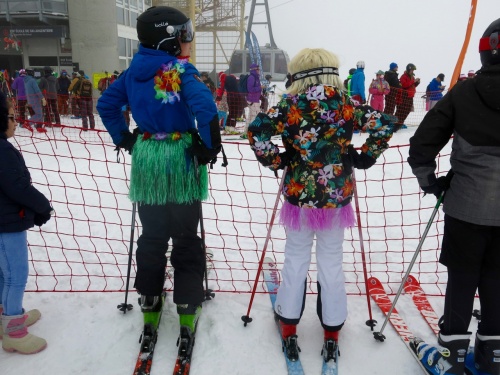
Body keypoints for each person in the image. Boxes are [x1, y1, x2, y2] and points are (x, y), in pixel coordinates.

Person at [247, 47, 396, 363]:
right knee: (331, 263)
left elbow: (256, 129)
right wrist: (365, 155)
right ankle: (332, 327)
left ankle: (289, 321)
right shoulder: (346, 105)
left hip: (299, 197)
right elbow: (385, 123)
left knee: (295, 258)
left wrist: (277, 158)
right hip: (336, 199)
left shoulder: (291, 105)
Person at [96, 5, 222, 348]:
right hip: (180, 160)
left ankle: (150, 298)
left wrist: (125, 138)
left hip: (149, 160)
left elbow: (106, 105)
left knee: (152, 235)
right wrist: (209, 149)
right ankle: (186, 300)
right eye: (185, 35)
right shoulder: (180, 71)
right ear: (170, 39)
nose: (189, 42)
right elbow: (207, 110)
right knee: (185, 236)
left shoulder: (132, 71)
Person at [408, 18, 500, 375]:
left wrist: (432, 183)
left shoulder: (464, 92)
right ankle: (493, 356)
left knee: (463, 277)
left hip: (465, 205)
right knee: (496, 276)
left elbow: (421, 144)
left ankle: (452, 356)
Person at [0, 93, 53, 354]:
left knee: (3, 273)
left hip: (4, 221)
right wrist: (42, 206)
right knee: (15, 276)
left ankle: (8, 316)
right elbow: (17, 187)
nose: (15, 122)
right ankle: (14, 332)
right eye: (11, 117)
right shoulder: (2, 151)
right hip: (6, 225)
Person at [241, 63, 262, 139]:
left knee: (250, 117)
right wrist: (260, 88)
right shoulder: (252, 78)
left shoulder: (256, 78)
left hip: (255, 99)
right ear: (254, 70)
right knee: (256, 117)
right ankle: (252, 132)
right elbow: (250, 89)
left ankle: (246, 132)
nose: (259, 70)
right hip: (253, 100)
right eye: (257, 69)